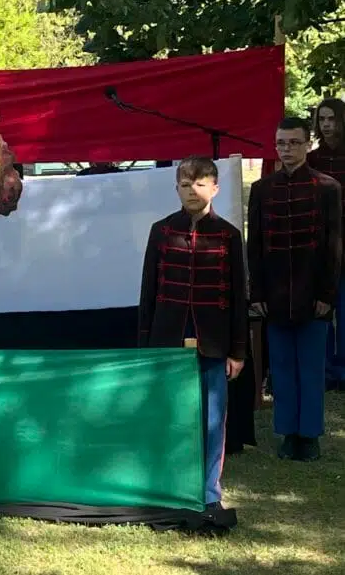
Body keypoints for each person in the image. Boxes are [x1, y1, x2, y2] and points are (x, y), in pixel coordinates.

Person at [138, 156, 246, 511]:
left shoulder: (229, 236)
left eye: (200, 184)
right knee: (171, 415)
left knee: (212, 419)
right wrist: (145, 346)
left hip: (213, 341)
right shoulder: (161, 231)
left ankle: (208, 493)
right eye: (185, 185)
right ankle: (170, 488)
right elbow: (148, 292)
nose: (192, 191)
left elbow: (238, 297)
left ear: (215, 188)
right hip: (168, 339)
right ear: (177, 189)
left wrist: (238, 351)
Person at [248, 116, 342, 462]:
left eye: (294, 142)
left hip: (313, 292)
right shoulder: (262, 189)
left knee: (312, 366)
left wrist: (327, 295)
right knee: (282, 366)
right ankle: (288, 432)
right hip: (274, 293)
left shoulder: (327, 187)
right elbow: (255, 245)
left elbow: (334, 246)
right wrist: (257, 293)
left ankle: (310, 435)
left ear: (307, 144)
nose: (287, 149)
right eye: (281, 143)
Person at [307, 97, 345, 389]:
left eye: (332, 119)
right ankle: (326, 368)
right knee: (322, 306)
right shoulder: (313, 160)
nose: (327, 124)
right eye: (323, 119)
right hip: (320, 242)